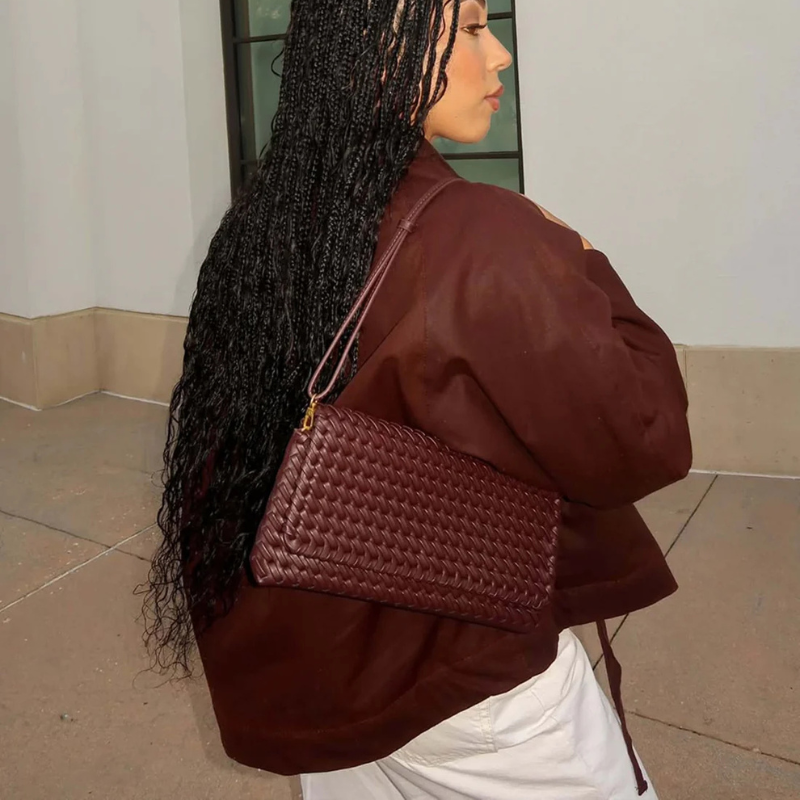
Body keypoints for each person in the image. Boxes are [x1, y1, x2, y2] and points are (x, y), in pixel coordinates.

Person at [142, 1, 691, 798]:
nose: (499, 54)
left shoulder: (269, 219)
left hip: (336, 676)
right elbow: (642, 440)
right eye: (470, 27)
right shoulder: (483, 235)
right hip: (474, 692)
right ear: (378, 46)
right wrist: (580, 256)